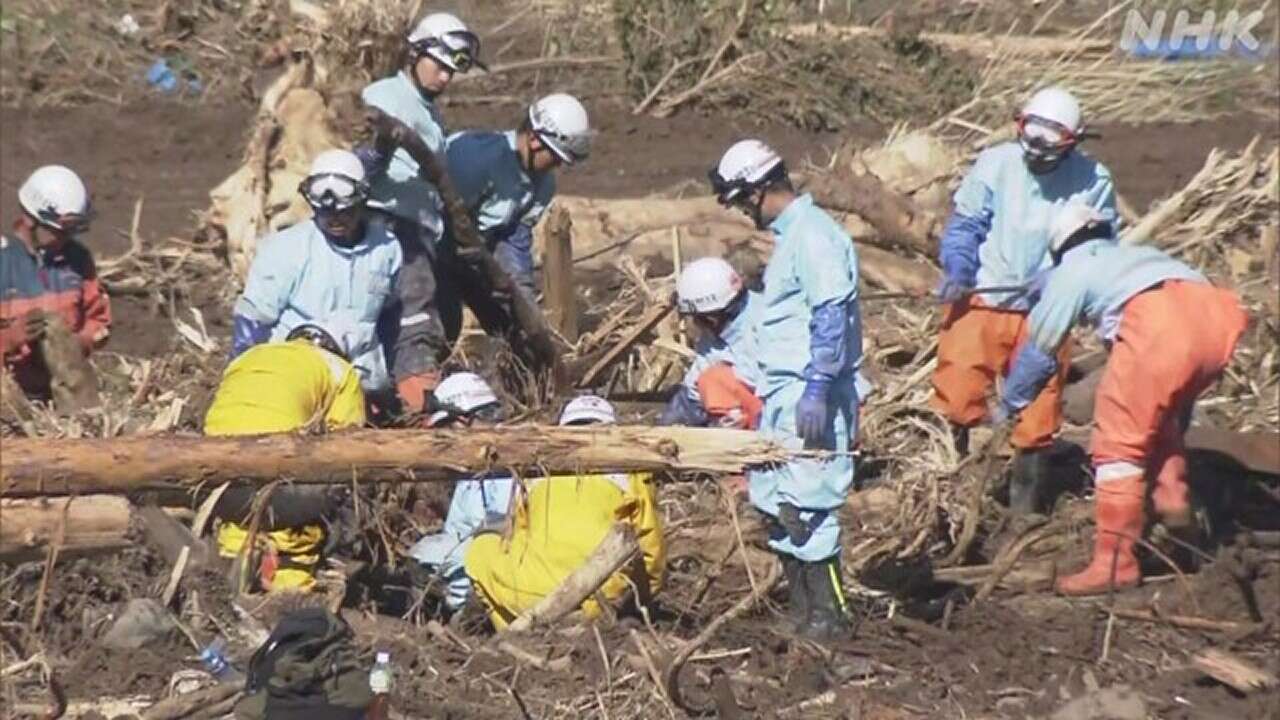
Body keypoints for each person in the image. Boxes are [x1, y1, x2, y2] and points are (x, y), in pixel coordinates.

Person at [995, 204, 1247, 596]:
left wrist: (1010, 402)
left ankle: (1115, 564)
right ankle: (1178, 516)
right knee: (1158, 422)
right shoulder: (1131, 255)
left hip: (1162, 326)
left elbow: (1040, 349)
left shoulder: (1071, 271)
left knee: (1117, 444)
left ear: (1058, 247)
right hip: (1215, 317)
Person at [931, 86, 1117, 515]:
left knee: (1037, 414)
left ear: (1070, 144)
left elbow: (1098, 244)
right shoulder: (996, 163)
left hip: (1046, 307)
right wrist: (958, 267)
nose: (1033, 155)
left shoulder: (1094, 181)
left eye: (1046, 149)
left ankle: (1024, 512)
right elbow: (966, 224)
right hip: (982, 295)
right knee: (956, 396)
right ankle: (943, 497)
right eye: (1028, 143)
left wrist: (1058, 276)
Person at [708, 139, 862, 640]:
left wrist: (819, 383)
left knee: (809, 508)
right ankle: (803, 612)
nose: (742, 212)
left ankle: (831, 617)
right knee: (779, 506)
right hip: (783, 395)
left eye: (741, 201)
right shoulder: (791, 239)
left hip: (808, 395)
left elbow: (831, 311)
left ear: (758, 191)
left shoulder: (815, 236)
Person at [358, 11, 484, 413]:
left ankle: (397, 402)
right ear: (416, 53)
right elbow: (361, 163)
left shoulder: (428, 112)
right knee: (415, 317)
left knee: (434, 318)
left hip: (422, 229)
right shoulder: (384, 97)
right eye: (439, 67)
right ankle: (419, 411)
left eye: (452, 72)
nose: (445, 79)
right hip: (390, 222)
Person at [463, 395, 666, 629]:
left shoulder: (537, 472)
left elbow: (516, 535)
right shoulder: (629, 473)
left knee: (480, 549)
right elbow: (652, 548)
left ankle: (510, 628)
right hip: (598, 599)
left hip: (527, 596)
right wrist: (643, 600)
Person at [205, 323, 367, 592]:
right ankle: (291, 580)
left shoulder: (249, 356)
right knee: (325, 487)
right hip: (279, 488)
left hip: (216, 478)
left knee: (241, 517)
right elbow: (349, 449)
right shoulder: (339, 369)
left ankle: (235, 556)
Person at [231, 149, 402, 396]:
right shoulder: (285, 249)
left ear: (362, 202)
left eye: (344, 212)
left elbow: (391, 319)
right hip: (295, 384)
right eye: (325, 213)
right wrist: (243, 382)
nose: (334, 220)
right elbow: (253, 323)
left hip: (364, 386)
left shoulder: (386, 248)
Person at [444, 93, 592, 299]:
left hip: (475, 252)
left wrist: (521, 293)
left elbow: (514, 240)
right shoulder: (475, 159)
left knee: (513, 317)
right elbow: (436, 219)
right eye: (555, 158)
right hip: (427, 242)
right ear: (534, 140)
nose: (557, 166)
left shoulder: (543, 185)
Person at [0, 165, 109, 400]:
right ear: (31, 221)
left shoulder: (77, 259)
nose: (67, 239)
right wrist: (10, 339)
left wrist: (76, 345)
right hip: (11, 402)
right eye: (60, 231)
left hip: (65, 398)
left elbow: (98, 320)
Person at [406, 371, 512, 612]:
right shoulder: (472, 468)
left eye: (445, 427)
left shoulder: (508, 464)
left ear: (462, 420)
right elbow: (455, 530)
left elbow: (503, 533)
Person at [660, 256, 764, 430]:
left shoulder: (768, 322)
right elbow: (693, 390)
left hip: (784, 415)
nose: (697, 324)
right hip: (752, 414)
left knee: (716, 378)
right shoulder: (718, 332)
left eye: (699, 319)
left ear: (714, 315)